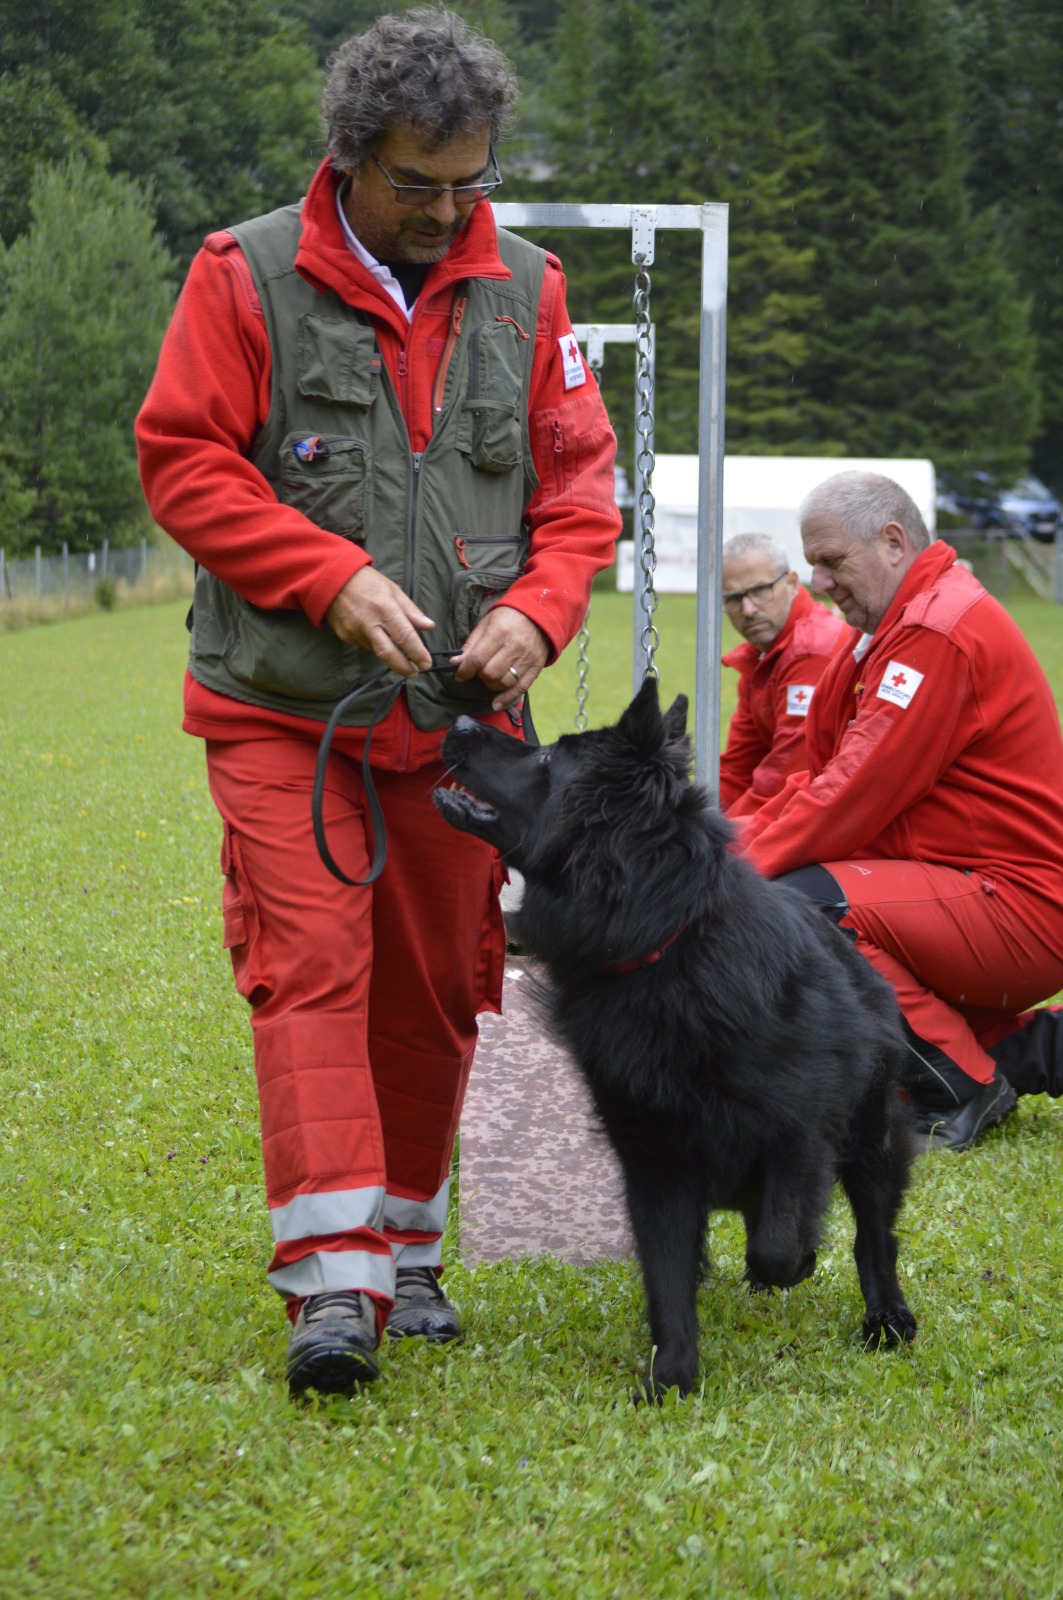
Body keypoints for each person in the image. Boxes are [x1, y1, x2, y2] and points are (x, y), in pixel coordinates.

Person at [135, 9, 621, 1395]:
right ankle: (331, 1288)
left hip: (457, 727)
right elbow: (184, 460)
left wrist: (539, 609)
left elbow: (578, 486)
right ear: (349, 156)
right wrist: (326, 574)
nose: (448, 210)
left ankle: (408, 1251)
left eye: (471, 181)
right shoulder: (241, 276)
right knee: (310, 969)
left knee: (435, 986)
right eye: (418, 182)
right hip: (281, 712)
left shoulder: (528, 290)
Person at [738, 471, 1063, 1152]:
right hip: (982, 891)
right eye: (813, 565)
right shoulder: (895, 626)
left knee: (798, 906)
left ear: (892, 542)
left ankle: (957, 1090)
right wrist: (720, 845)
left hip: (1018, 905)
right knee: (802, 906)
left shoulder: (933, 630)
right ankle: (1025, 1051)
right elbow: (816, 781)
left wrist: (718, 876)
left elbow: (846, 798)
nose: (820, 582)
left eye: (832, 561)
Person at [718, 532, 847, 815]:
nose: (748, 609)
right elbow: (737, 769)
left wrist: (713, 835)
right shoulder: (761, 656)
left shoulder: (810, 652)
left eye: (760, 590)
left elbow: (786, 781)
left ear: (791, 583)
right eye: (733, 598)